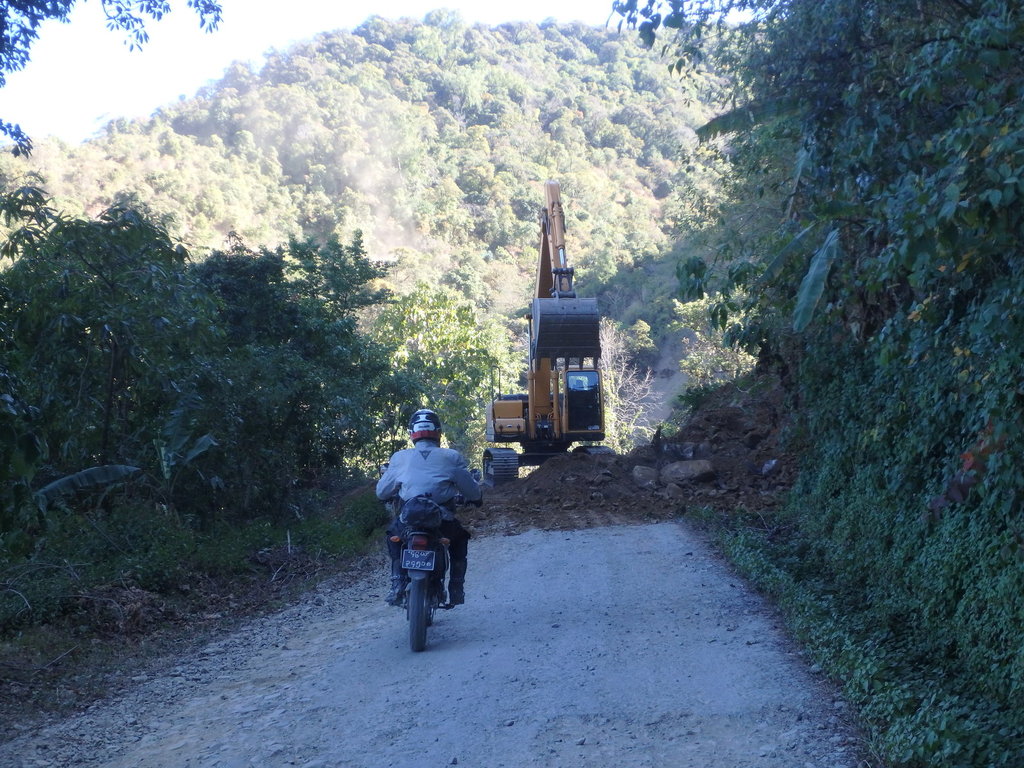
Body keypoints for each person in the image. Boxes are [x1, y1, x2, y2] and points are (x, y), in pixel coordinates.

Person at [376, 408, 482, 607]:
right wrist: (476, 499)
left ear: (411, 433)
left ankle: (397, 583)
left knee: (393, 537)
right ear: (438, 432)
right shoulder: (451, 456)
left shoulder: (399, 458)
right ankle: (456, 588)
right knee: (459, 539)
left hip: (409, 519)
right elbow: (472, 491)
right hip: (442, 519)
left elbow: (382, 493)